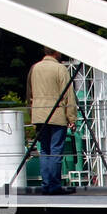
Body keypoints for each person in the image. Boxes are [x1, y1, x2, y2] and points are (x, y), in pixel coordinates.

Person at [27, 47, 77, 195]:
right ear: (56, 53)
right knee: (56, 151)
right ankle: (54, 185)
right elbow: (69, 95)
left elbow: (29, 94)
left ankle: (46, 184)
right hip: (56, 115)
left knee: (44, 151)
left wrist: (32, 113)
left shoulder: (34, 68)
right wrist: (72, 118)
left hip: (39, 115)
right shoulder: (60, 69)